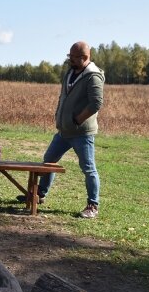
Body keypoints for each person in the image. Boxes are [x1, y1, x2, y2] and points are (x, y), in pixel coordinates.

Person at [19, 41, 105, 218]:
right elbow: (64, 96)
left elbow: (96, 103)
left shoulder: (93, 76)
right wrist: (59, 116)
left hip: (82, 133)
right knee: (49, 160)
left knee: (88, 168)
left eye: (73, 57)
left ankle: (93, 205)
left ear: (85, 57)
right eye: (69, 56)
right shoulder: (71, 72)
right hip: (64, 131)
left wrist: (76, 120)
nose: (70, 60)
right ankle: (40, 194)